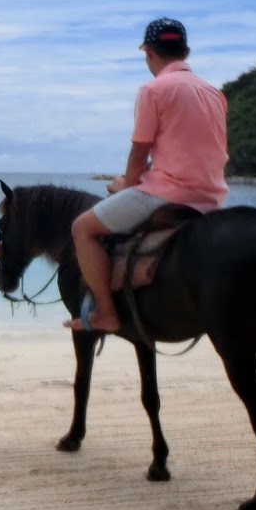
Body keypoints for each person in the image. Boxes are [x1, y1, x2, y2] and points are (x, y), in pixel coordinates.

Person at [65, 17, 229, 334]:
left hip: (168, 195)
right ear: (186, 51)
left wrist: (127, 184)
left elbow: (140, 152)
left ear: (149, 53)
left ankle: (106, 313)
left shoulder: (153, 90)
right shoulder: (214, 93)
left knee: (82, 228)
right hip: (211, 198)